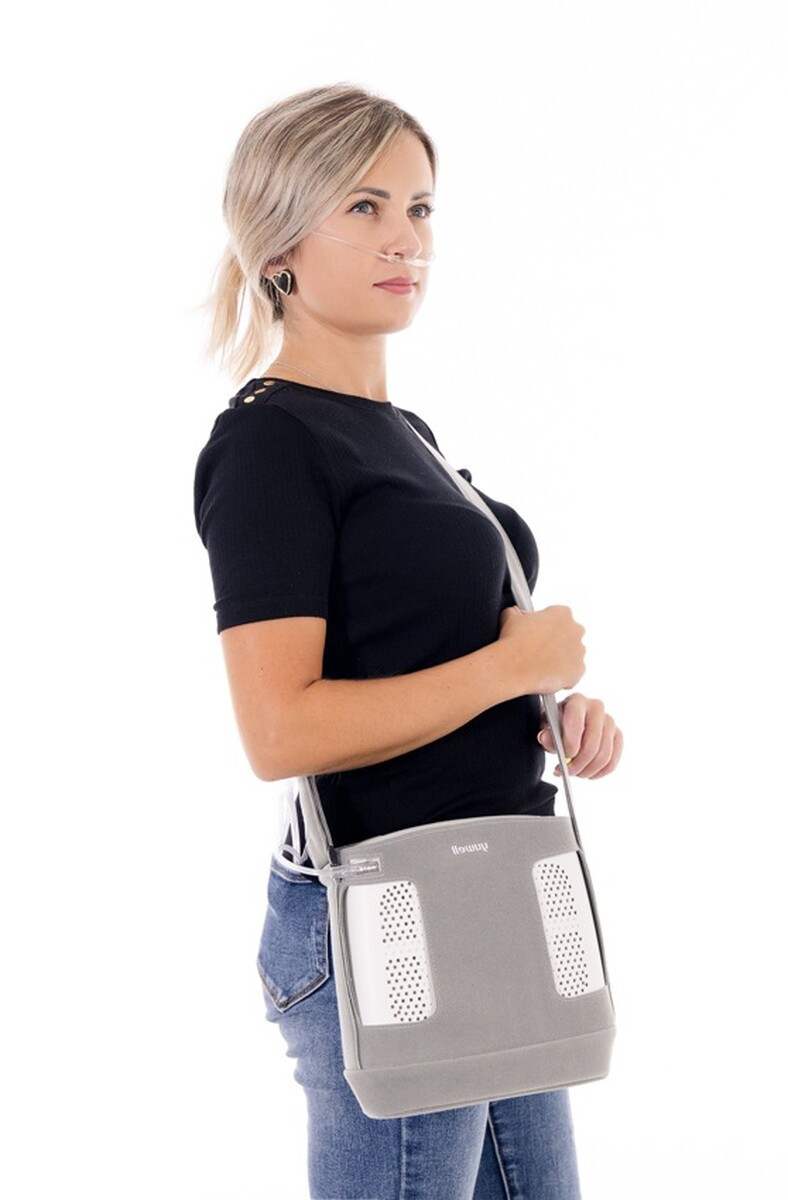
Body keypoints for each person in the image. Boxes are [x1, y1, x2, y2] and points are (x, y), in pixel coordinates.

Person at [193, 83, 623, 1200]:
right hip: (386, 916)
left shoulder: (404, 436)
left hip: (494, 889)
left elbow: (419, 659)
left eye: (420, 208)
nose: (405, 239)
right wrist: (507, 666)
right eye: (364, 206)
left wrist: (545, 708)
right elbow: (279, 729)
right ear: (280, 243)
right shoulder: (270, 445)